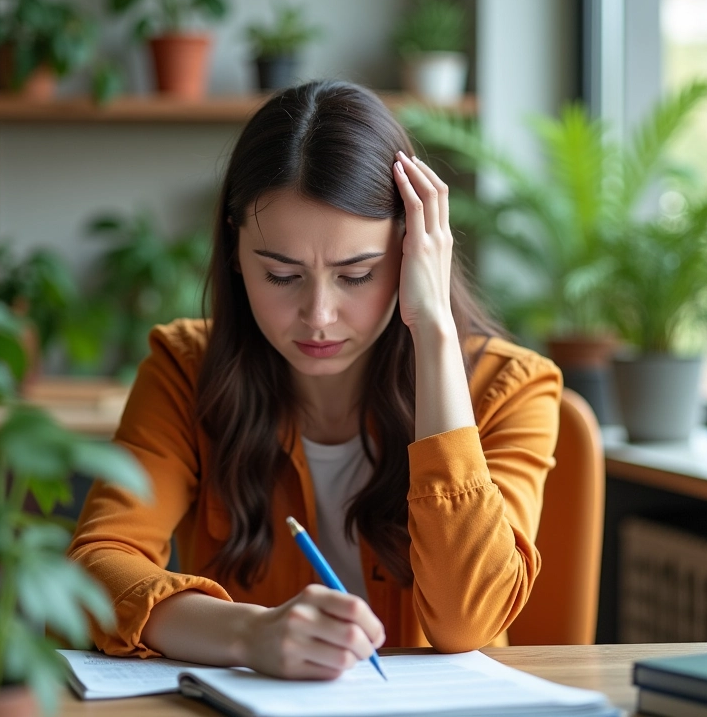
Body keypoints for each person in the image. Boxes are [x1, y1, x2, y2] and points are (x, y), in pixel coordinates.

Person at [68, 80, 562, 681]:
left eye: (358, 274)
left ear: (414, 255)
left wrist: (430, 330)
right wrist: (249, 633)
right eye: (281, 275)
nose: (319, 316)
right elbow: (96, 566)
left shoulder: (510, 388)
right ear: (234, 252)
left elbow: (467, 622)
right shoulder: (184, 370)